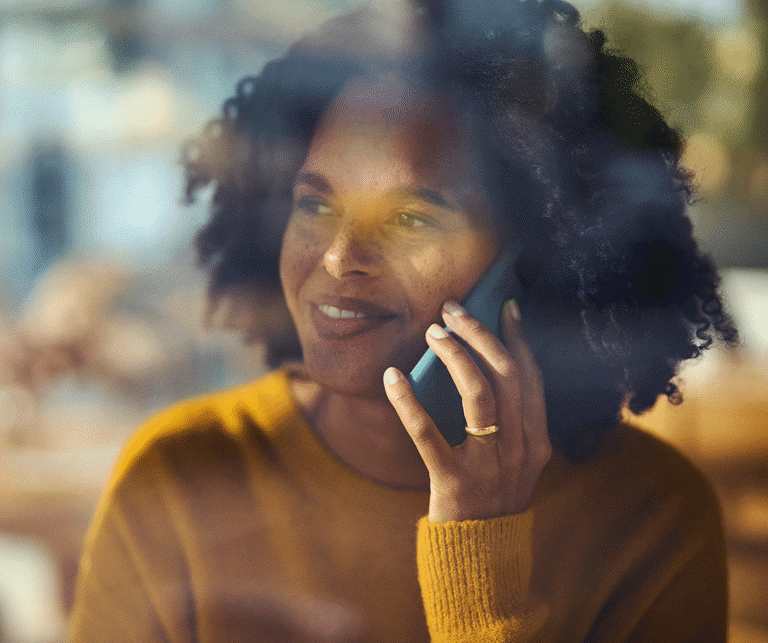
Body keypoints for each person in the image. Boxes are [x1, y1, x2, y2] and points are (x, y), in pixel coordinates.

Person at [68, 0, 738, 641]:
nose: (338, 257)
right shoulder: (178, 475)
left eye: (412, 218)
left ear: (543, 258)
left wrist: (480, 566)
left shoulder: (651, 519)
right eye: (316, 205)